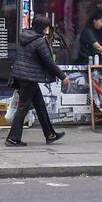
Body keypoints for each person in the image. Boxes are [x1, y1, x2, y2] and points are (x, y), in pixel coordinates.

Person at [6, 18, 67, 147]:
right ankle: (12, 138)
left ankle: (50, 134)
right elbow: (48, 62)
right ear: (43, 27)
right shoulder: (39, 41)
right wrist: (63, 76)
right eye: (47, 27)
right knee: (23, 107)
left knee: (40, 105)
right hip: (29, 77)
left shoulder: (25, 36)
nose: (48, 29)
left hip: (22, 76)